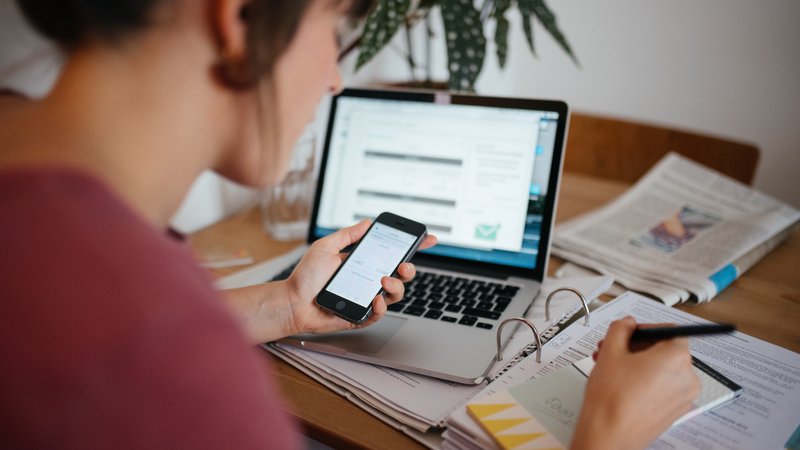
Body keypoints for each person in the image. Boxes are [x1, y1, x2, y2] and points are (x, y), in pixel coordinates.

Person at [0, 1, 700, 449]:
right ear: (239, 17)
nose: (336, 79)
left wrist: (282, 305)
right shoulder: (151, 345)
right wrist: (606, 435)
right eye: (333, 30)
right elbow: (140, 343)